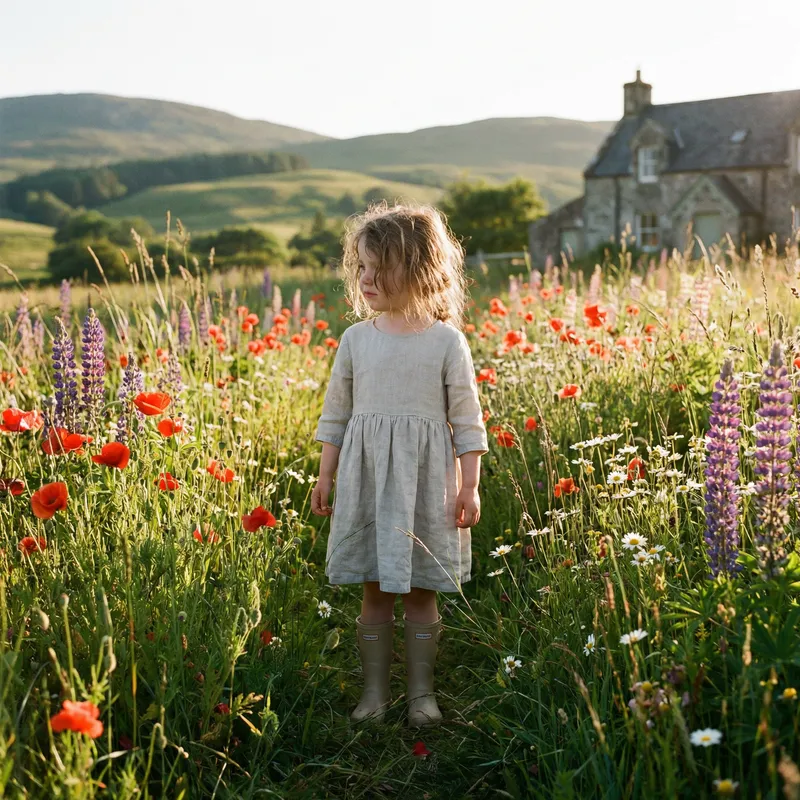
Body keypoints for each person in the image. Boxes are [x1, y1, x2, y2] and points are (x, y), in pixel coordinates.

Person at [311, 202, 488, 728]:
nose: (365, 279)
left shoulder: (445, 342)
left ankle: (420, 695)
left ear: (418, 269)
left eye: (378, 269)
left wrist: (470, 486)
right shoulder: (356, 340)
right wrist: (326, 475)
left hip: (427, 484)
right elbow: (335, 415)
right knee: (373, 589)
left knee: (419, 592)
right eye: (360, 268)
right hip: (368, 482)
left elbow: (468, 421)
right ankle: (372, 694)